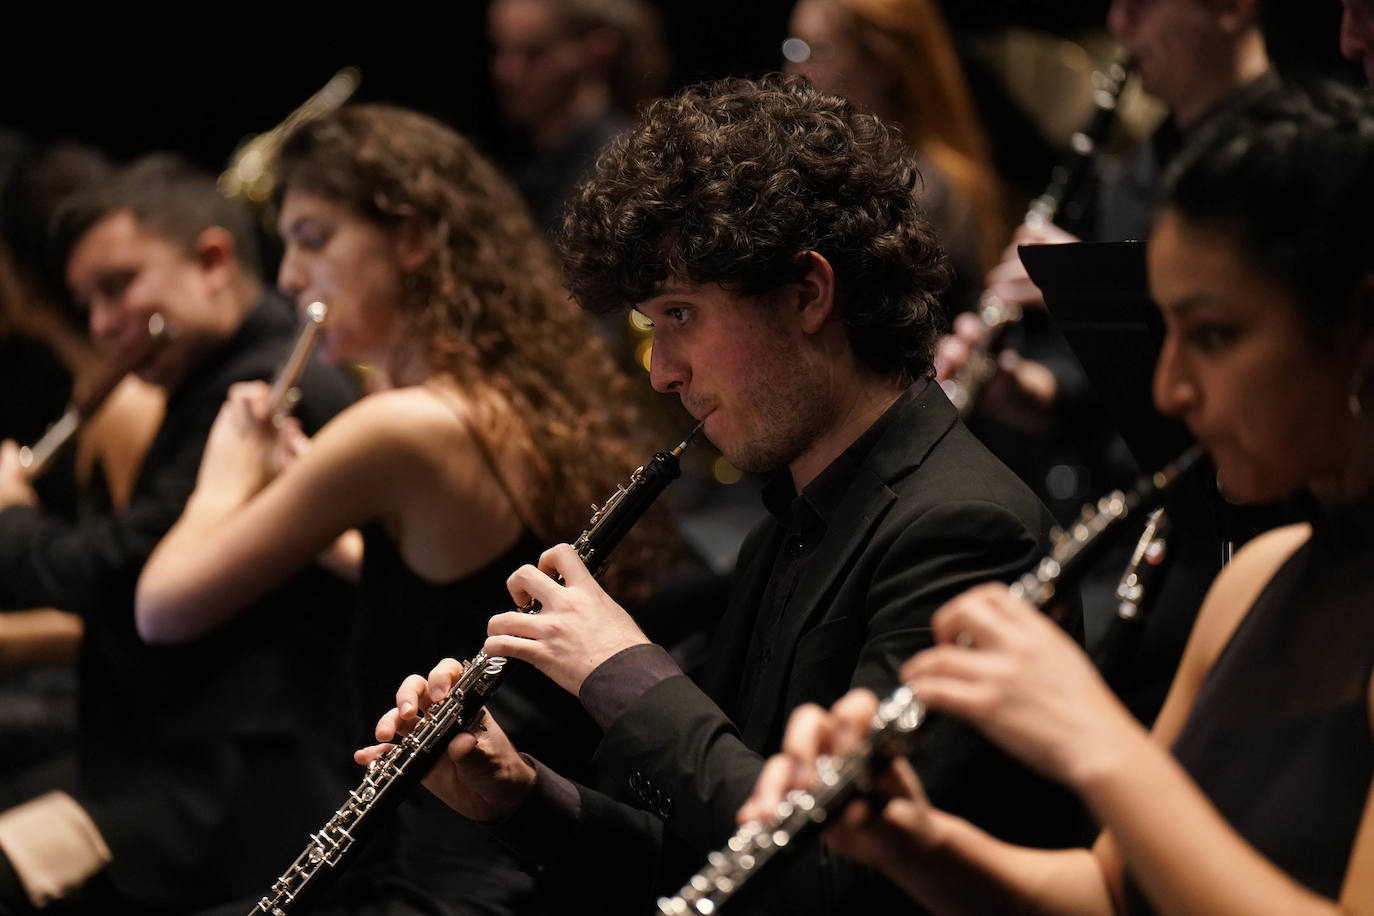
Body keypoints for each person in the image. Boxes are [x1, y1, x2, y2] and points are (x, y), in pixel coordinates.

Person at [366, 75, 1085, 915]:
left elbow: (841, 881)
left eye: (680, 315)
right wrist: (521, 796)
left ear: (808, 293)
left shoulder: (966, 531)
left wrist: (624, 676)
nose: (662, 372)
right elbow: (710, 867)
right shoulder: (788, 527)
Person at [741, 81, 1374, 915]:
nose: (1169, 387)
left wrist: (1097, 742)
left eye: (1214, 335)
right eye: (1168, 333)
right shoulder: (1254, 579)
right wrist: (911, 843)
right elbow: (1111, 893)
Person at [135, 103, 673, 914]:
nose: (288, 278)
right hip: (505, 863)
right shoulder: (498, 398)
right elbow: (449, 598)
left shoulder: (401, 426)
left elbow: (162, 608)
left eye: (314, 239)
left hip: (441, 877)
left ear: (414, 238)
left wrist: (228, 473)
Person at [0, 155, 360, 913]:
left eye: (117, 287)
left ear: (212, 261)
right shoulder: (214, 377)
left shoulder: (264, 391)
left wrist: (10, 519)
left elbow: (128, 578)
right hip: (173, 769)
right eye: (85, 303)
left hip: (231, 796)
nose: (102, 326)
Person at [782, 0, 1006, 313]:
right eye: (794, 47)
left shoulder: (928, 190)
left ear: (882, 64)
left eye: (818, 50)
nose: (795, 71)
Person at [488, 0, 670, 237]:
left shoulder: (622, 168)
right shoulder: (541, 166)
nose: (505, 72)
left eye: (534, 53)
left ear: (599, 49)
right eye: (500, 50)